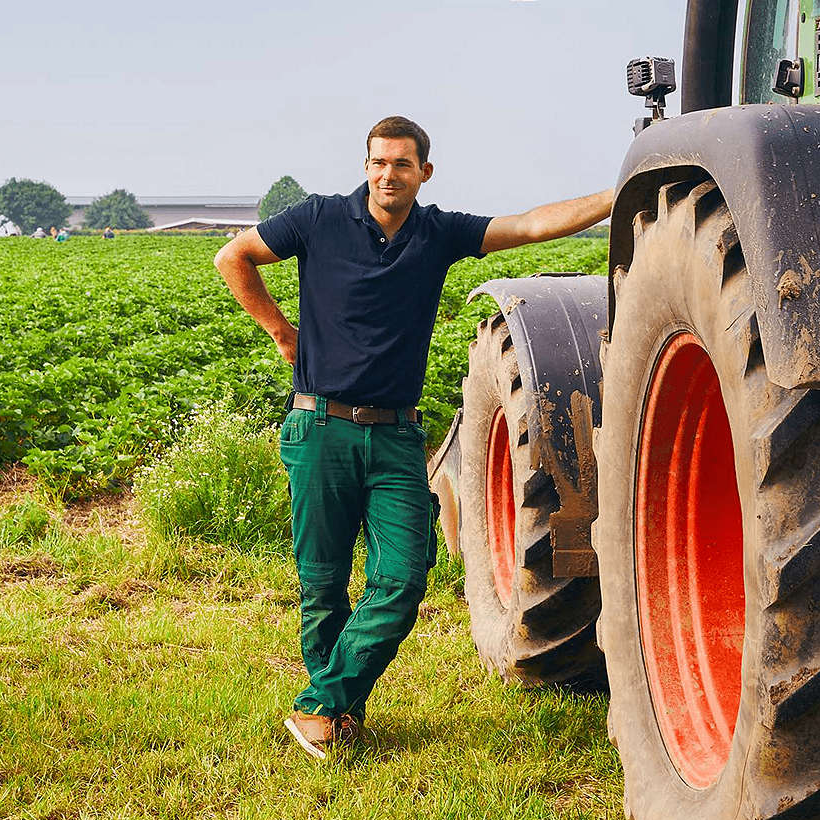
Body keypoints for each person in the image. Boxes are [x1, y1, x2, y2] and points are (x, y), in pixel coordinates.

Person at [214, 115, 612, 760]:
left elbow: (534, 224)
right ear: (365, 165)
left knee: (402, 578)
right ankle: (342, 716)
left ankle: (319, 705)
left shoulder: (439, 233)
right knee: (322, 583)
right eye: (377, 162)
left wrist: (619, 193)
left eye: (401, 164)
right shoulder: (317, 219)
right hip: (318, 428)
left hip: (397, 436)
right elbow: (232, 256)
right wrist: (282, 334)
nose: (386, 175)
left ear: (424, 172)